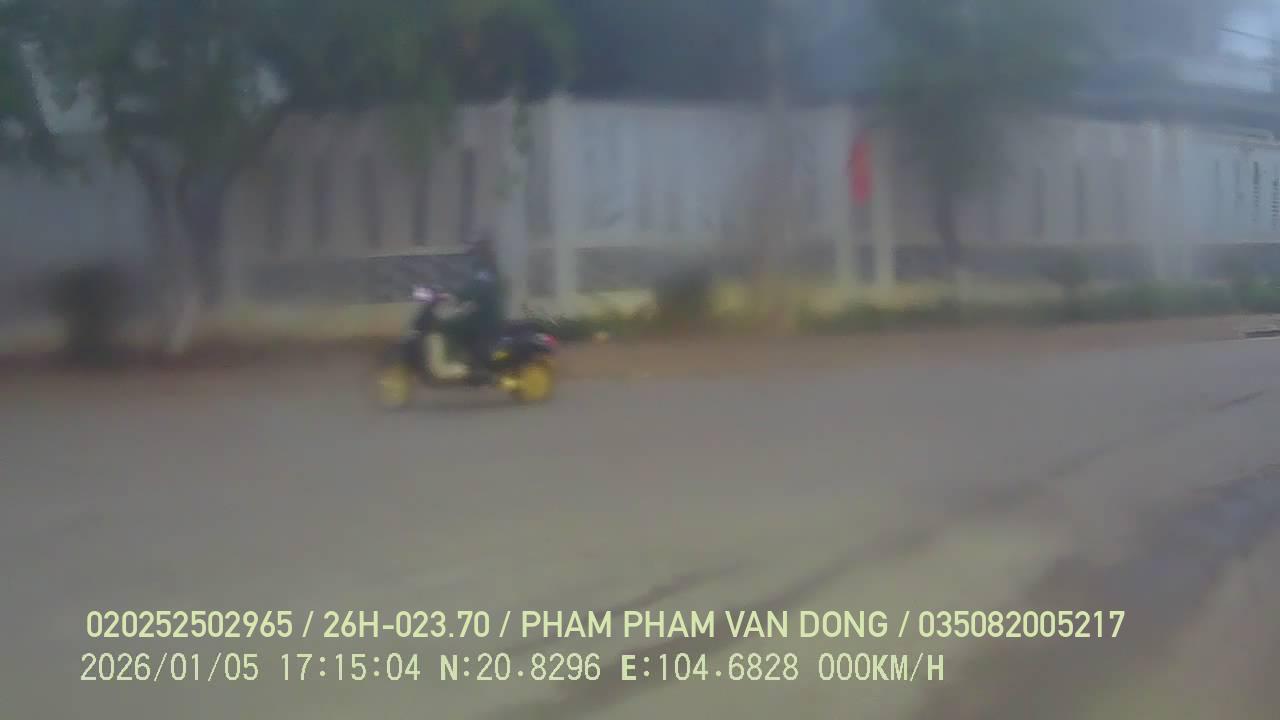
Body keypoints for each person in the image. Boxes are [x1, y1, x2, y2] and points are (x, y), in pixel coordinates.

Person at [443, 233, 507, 384]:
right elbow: (474, 288)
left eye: (475, 252)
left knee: (451, 326)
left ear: (481, 251)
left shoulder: (485, 270)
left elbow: (476, 288)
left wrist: (457, 296)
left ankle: (473, 366)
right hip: (483, 312)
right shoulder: (486, 267)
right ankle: (466, 362)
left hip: (488, 316)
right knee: (457, 322)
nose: (471, 256)